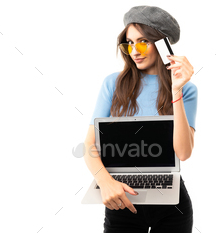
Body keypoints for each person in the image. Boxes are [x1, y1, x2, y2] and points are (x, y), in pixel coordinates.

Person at [84, 5, 198, 233]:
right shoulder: (113, 84)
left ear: (161, 44)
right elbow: (90, 145)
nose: (134, 50)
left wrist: (176, 90)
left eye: (143, 42)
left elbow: (183, 153)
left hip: (172, 203)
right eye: (129, 43)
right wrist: (106, 183)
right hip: (121, 195)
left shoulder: (187, 89)